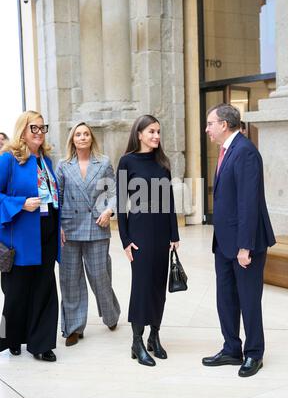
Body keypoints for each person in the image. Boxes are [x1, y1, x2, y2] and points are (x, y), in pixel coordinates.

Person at [202, 104, 276, 377]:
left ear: (224, 124)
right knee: (226, 299)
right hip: (223, 242)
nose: (207, 129)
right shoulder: (226, 151)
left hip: (246, 243)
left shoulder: (245, 152)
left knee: (248, 300)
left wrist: (245, 246)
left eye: (210, 123)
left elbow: (248, 203)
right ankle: (232, 348)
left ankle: (254, 353)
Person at [116, 115, 179, 367]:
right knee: (142, 287)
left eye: (158, 132)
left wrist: (174, 235)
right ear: (139, 134)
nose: (156, 136)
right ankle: (137, 341)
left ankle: (154, 336)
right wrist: (125, 240)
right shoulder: (127, 162)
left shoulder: (162, 162)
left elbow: (170, 200)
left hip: (162, 233)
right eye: (151, 131)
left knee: (157, 287)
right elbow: (121, 204)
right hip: (139, 233)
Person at [0, 110, 60, 361]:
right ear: (22, 131)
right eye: (33, 128)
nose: (39, 133)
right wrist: (21, 204)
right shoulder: (9, 159)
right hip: (20, 236)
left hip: (47, 230)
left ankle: (42, 344)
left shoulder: (45, 160)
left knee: (45, 288)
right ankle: (11, 338)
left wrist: (61, 227)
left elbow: (53, 196)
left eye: (42, 128)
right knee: (16, 293)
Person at [56, 122, 120, 347]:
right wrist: (58, 226)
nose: (82, 137)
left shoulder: (103, 163)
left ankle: (111, 315)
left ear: (91, 138)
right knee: (70, 280)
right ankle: (73, 328)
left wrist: (109, 210)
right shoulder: (63, 165)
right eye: (78, 134)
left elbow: (113, 192)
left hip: (97, 225)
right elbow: (58, 196)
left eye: (86, 134)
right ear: (72, 139)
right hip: (69, 228)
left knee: (100, 277)